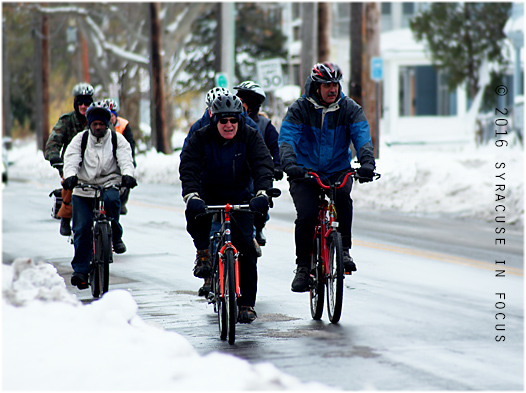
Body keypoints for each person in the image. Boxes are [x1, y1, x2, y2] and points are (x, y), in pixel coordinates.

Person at [278, 62, 376, 293]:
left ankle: (344, 250)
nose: (332, 89)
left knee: (343, 197)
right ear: (316, 86)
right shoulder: (299, 109)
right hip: (304, 171)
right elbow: (287, 139)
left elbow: (362, 137)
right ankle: (303, 267)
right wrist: (290, 164)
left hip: (337, 169)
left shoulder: (350, 108)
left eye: (335, 84)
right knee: (307, 215)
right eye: (326, 85)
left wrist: (367, 163)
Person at [179, 92, 274, 323]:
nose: (229, 125)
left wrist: (262, 192)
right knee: (195, 216)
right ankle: (204, 254)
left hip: (240, 195)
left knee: (248, 250)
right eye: (224, 120)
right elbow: (189, 167)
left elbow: (262, 163)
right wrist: (192, 196)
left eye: (233, 119)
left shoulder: (250, 135)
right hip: (208, 194)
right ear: (214, 119)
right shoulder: (200, 137)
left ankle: (247, 304)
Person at [62, 102, 137, 289]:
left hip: (109, 183)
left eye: (101, 124)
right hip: (83, 187)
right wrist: (70, 177)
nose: (98, 127)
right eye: (94, 124)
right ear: (89, 124)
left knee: (113, 201)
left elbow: (126, 158)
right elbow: (71, 159)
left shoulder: (116, 139)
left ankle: (115, 234)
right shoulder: (80, 139)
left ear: (107, 125)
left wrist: (128, 175)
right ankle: (80, 270)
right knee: (81, 229)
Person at [233, 81, 283, 248]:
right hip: (236, 173)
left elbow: (276, 149)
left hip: (255, 174)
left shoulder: (264, 125)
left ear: (252, 105)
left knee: (261, 198)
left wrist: (277, 166)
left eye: (242, 101)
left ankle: (259, 227)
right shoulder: (230, 122)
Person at [45, 83, 94, 237]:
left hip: (96, 164)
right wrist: (54, 156)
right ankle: (66, 217)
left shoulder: (98, 120)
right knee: (70, 185)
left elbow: (113, 139)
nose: (84, 106)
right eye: (80, 102)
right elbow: (53, 141)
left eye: (87, 103)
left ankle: (111, 227)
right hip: (71, 165)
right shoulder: (66, 121)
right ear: (75, 103)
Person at [103, 98, 137, 215]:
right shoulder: (100, 125)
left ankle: (122, 202)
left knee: (126, 177)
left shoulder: (124, 125)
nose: (110, 118)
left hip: (121, 155)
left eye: (112, 115)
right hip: (106, 157)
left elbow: (130, 143)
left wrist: (131, 160)